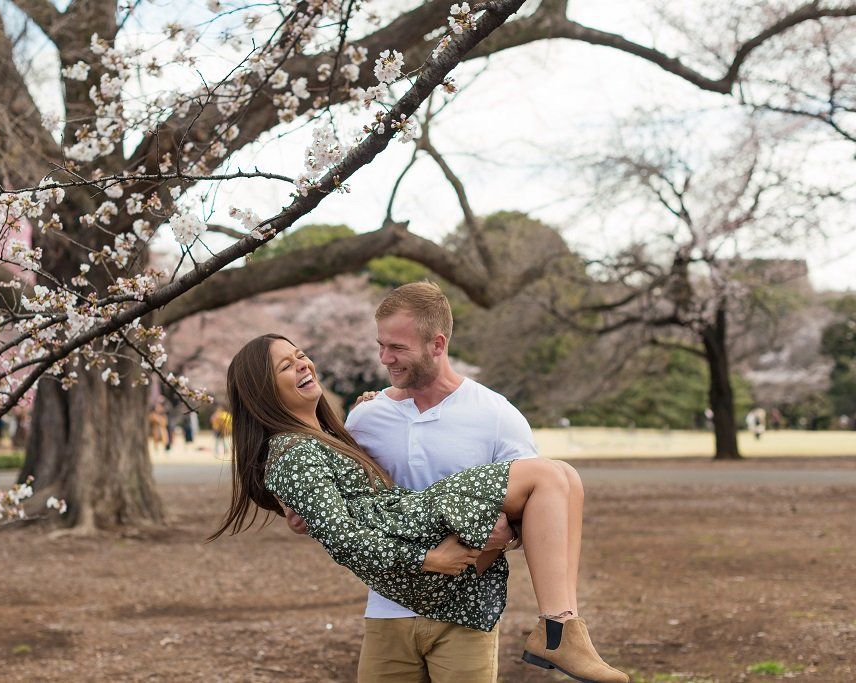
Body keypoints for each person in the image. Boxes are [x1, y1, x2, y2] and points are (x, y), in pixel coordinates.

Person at [212, 333, 631, 683]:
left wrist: (375, 406)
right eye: (285, 366)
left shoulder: (325, 435)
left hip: (408, 529)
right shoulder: (293, 451)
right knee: (550, 476)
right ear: (262, 390)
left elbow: (331, 505)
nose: (302, 365)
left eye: (300, 355)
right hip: (409, 537)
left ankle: (564, 629)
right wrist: (427, 557)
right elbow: (342, 539)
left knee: (564, 478)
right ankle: (558, 630)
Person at [287, 281, 540, 682]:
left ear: (437, 344)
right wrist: (305, 516)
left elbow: (531, 512)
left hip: (466, 612)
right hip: (387, 610)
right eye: (381, 345)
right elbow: (346, 504)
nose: (385, 358)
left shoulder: (496, 415)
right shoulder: (366, 418)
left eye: (398, 348)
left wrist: (501, 536)